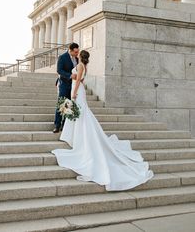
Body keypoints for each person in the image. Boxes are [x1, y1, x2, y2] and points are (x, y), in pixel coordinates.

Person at [52, 50, 154, 191]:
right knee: (78, 114)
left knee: (80, 113)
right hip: (76, 89)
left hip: (77, 91)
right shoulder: (83, 65)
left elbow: (79, 80)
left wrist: (74, 92)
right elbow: (79, 79)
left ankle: (78, 136)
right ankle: (73, 134)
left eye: (78, 53)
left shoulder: (80, 66)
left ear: (81, 56)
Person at [53, 42, 79, 133]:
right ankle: (57, 125)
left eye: (78, 52)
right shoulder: (62, 57)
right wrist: (69, 75)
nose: (77, 54)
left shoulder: (77, 59)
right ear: (70, 50)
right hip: (64, 84)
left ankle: (65, 125)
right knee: (61, 103)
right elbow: (59, 70)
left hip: (73, 85)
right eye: (75, 52)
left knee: (69, 105)